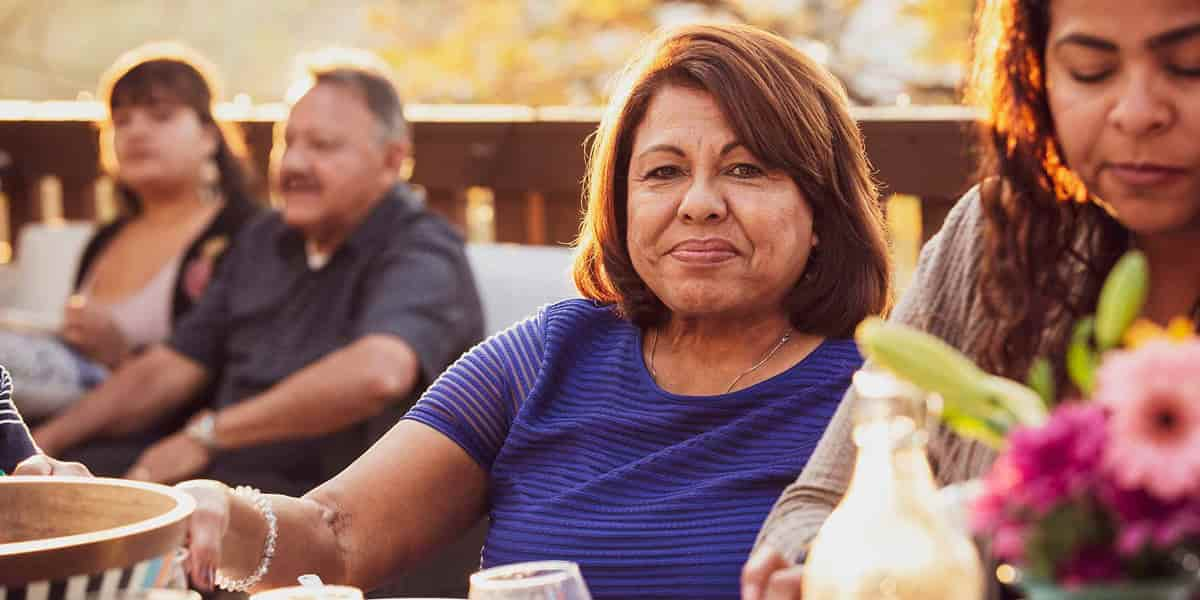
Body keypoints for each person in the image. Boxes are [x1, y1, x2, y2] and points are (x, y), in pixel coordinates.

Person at [172, 23, 891, 599]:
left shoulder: (880, 397)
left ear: (820, 209)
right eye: (664, 172)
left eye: (746, 169)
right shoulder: (546, 355)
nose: (698, 202)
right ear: (620, 202)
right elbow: (336, 535)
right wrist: (203, 511)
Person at [742, 0, 1200, 597]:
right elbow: (822, 499)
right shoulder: (1001, 234)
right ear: (1039, 75)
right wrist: (825, 565)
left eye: (1190, 66)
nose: (1137, 113)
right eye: (1091, 70)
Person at [30, 51, 485, 496]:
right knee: (63, 490)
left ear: (391, 159)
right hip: (221, 482)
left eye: (323, 146)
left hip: (331, 507)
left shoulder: (421, 247)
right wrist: (41, 445)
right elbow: (172, 367)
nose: (295, 164)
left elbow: (379, 372)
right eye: (288, 142)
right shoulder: (264, 238)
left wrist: (208, 435)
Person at [0, 42, 260, 420]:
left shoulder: (244, 233)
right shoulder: (105, 239)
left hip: (162, 433)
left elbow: (234, 368)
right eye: (121, 121)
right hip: (66, 413)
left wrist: (121, 356)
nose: (136, 131)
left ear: (208, 135)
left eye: (161, 116)